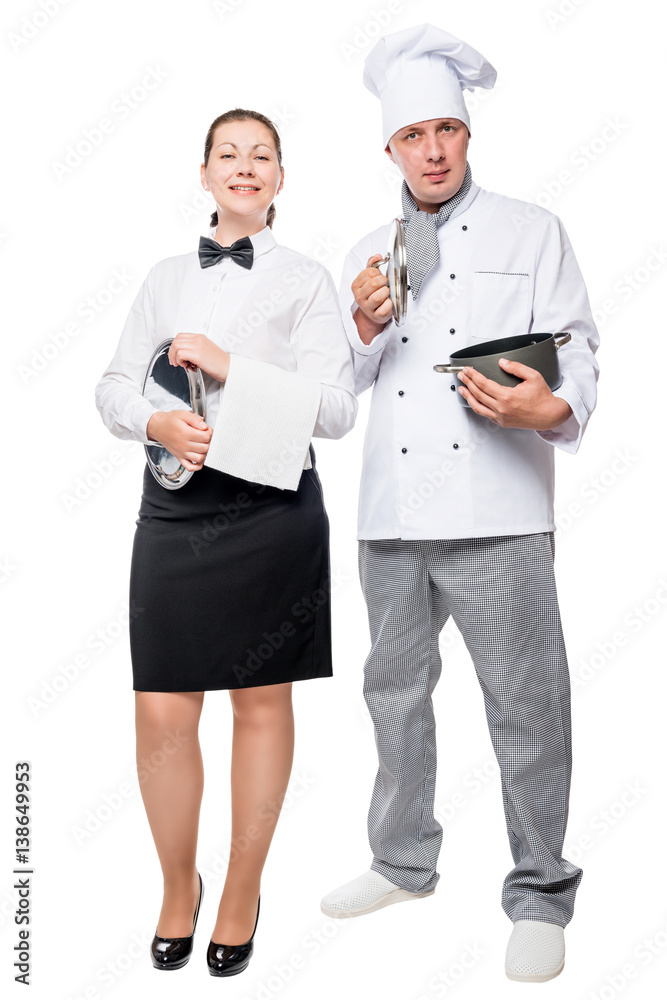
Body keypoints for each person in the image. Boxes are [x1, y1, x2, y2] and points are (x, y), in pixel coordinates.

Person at [319, 24, 599, 984]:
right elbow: (342, 386)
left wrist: (548, 404)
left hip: (500, 509)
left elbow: (579, 346)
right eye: (412, 136)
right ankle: (401, 861)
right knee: (392, 697)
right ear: (388, 149)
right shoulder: (367, 249)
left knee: (527, 705)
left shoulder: (531, 229)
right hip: (392, 514)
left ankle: (539, 889)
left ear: (466, 136)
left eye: (446, 130)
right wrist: (359, 320)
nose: (432, 150)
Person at [94, 108, 357, 977]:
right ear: (204, 172)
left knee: (259, 703)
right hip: (172, 507)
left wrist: (231, 366)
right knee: (161, 709)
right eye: (229, 155)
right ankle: (179, 885)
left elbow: (337, 410)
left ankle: (242, 887)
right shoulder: (166, 277)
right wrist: (156, 421)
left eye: (263, 156)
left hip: (270, 509)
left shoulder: (310, 280)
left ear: (281, 179)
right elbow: (112, 386)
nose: (245, 168)